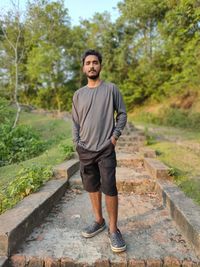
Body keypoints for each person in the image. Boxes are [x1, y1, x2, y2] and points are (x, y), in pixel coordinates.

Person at [72, 49, 127, 253]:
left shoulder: (111, 89)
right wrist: (77, 142)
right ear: (83, 67)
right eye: (88, 63)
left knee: (109, 187)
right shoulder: (78, 94)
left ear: (100, 65)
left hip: (105, 148)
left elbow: (122, 114)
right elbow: (75, 122)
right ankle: (99, 220)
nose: (92, 66)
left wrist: (114, 137)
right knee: (91, 186)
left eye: (95, 62)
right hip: (85, 149)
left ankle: (113, 230)